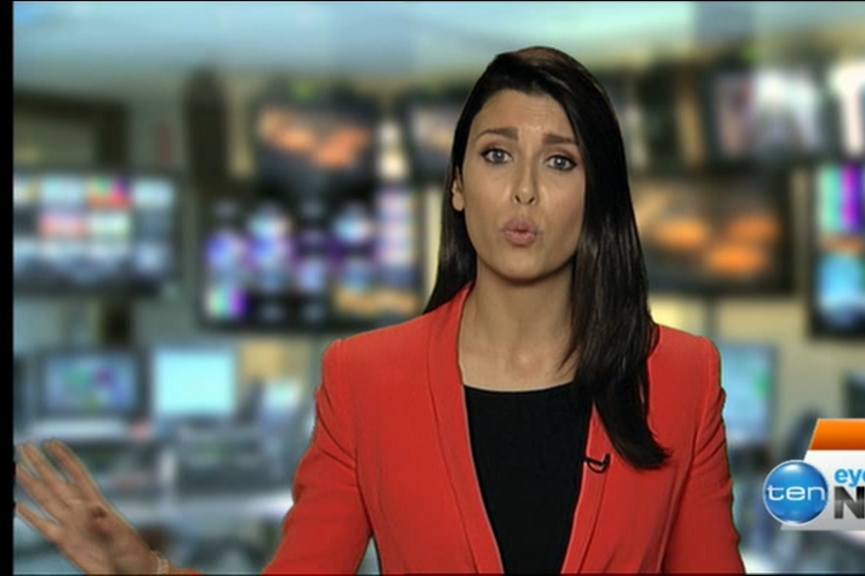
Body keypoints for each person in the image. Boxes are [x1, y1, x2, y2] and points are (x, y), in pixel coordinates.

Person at [14, 46, 745, 575]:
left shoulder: (680, 376)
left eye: (560, 161)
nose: (523, 190)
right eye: (496, 155)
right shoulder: (365, 378)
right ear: (457, 186)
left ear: (597, 198)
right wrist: (146, 570)